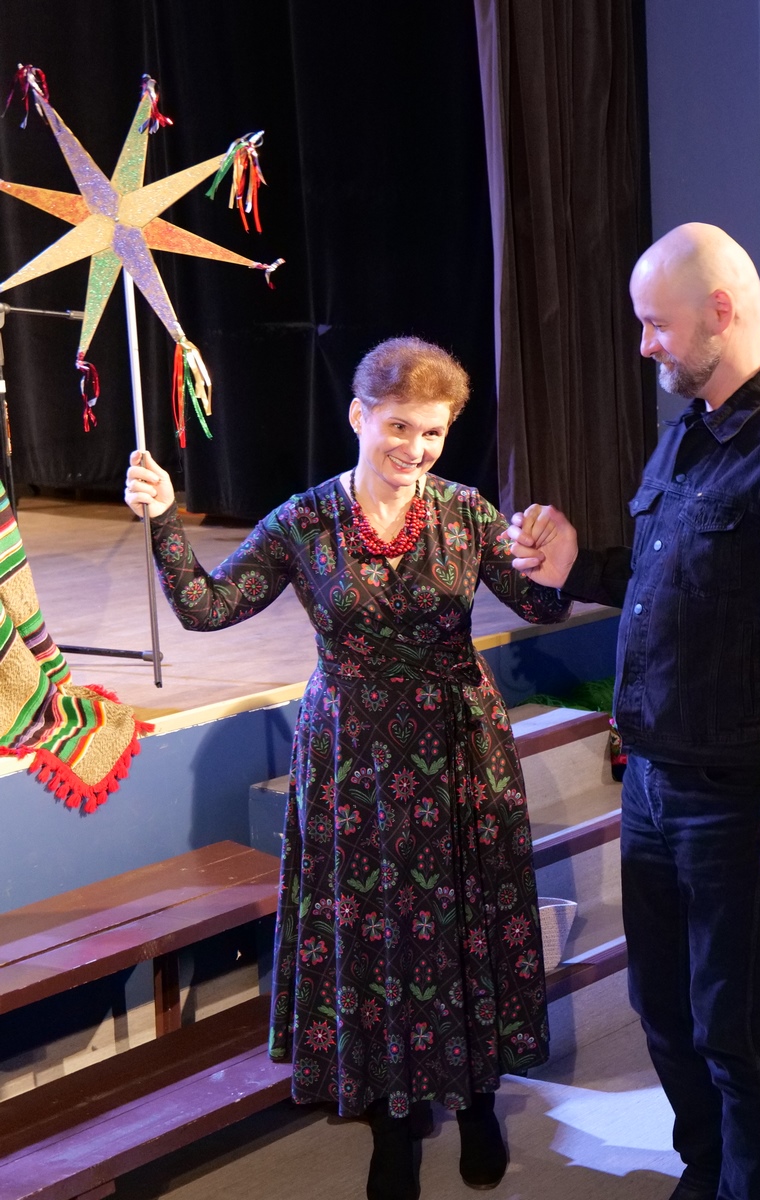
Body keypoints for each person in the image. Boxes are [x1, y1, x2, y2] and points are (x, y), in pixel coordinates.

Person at [123, 337, 570, 1200]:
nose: (416, 448)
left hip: (458, 747)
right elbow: (207, 608)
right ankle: (391, 1125)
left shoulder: (467, 513)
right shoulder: (305, 521)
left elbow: (541, 603)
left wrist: (556, 557)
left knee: (467, 924)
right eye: (400, 426)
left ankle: (476, 1099)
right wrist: (165, 520)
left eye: (433, 432)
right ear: (360, 415)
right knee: (376, 936)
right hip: (353, 757)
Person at [507, 222, 760, 1200]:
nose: (644, 346)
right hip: (654, 783)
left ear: (721, 311)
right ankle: (706, 1171)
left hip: (740, 795)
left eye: (655, 325)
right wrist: (573, 565)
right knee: (661, 1008)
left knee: (731, 1024)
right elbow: (659, 580)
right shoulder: (686, 432)